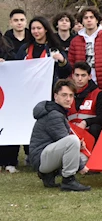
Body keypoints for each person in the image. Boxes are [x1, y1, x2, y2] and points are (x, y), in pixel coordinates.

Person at [29, 79, 91, 191]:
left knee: (80, 153)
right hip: (41, 158)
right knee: (72, 141)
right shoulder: (54, 114)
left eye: (71, 96)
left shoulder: (57, 111)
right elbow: (65, 140)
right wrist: (81, 167)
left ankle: (49, 175)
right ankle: (68, 181)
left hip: (43, 155)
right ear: (56, 96)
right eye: (64, 95)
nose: (68, 99)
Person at [67, 7, 102, 95]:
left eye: (91, 17)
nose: (89, 20)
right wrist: (72, 85)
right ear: (82, 21)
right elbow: (71, 65)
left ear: (97, 20)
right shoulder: (75, 41)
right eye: (86, 18)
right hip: (82, 87)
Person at [15, 16, 72, 83]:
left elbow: (65, 73)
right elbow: (16, 67)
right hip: (28, 86)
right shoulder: (25, 48)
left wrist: (62, 61)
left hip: (48, 87)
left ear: (46, 29)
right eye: (33, 28)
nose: (36, 31)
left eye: (39, 28)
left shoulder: (54, 48)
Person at [67, 61, 102, 141]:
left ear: (90, 76)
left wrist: (86, 122)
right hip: (70, 135)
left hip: (90, 135)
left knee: (95, 128)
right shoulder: (67, 93)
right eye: (77, 75)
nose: (80, 79)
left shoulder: (98, 94)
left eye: (83, 75)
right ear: (72, 76)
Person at [0, 34, 21, 172]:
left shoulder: (7, 50)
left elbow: (18, 66)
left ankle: (10, 161)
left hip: (8, 96)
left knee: (8, 126)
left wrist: (5, 63)